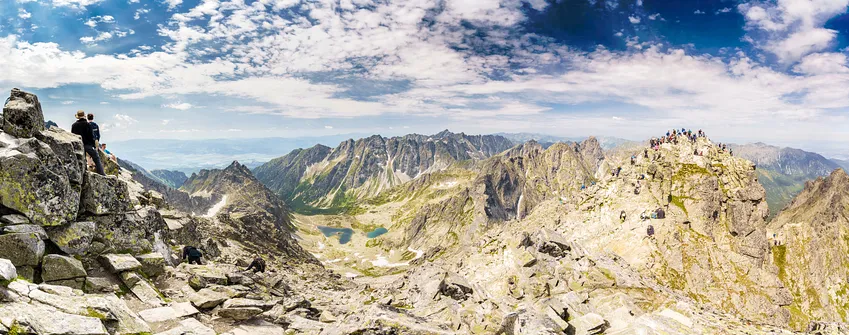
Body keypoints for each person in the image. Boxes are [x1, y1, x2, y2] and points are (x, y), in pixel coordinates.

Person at [71, 110, 105, 175]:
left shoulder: (74, 125)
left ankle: (84, 172)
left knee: (83, 159)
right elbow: (92, 136)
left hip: (79, 145)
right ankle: (102, 174)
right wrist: (93, 146)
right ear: (84, 116)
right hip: (88, 145)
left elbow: (73, 136)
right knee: (96, 158)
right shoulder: (88, 125)